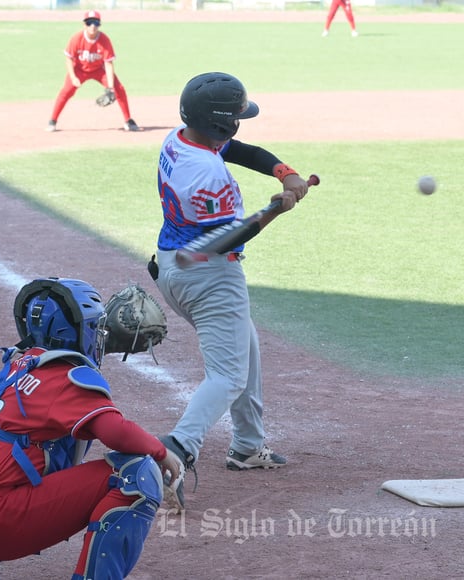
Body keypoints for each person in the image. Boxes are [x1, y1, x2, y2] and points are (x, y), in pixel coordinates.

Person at [0, 277, 182, 580]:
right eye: (95, 328)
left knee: (46, 453)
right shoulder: (66, 378)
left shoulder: (20, 365)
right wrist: (160, 451)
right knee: (137, 473)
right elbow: (115, 432)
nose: (100, 335)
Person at [152, 72, 310, 510]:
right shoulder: (208, 177)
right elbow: (230, 237)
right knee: (227, 376)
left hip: (175, 263)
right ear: (222, 121)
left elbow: (240, 150)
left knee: (246, 349)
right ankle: (178, 450)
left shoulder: (182, 139)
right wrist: (280, 207)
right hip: (209, 276)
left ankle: (247, 446)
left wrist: (285, 172)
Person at [47, 10, 141, 133]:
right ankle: (52, 120)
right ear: (84, 24)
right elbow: (69, 59)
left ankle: (128, 120)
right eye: (89, 22)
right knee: (66, 91)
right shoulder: (77, 38)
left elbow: (108, 63)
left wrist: (111, 87)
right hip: (79, 69)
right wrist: (73, 77)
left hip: (99, 70)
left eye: (96, 23)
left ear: (99, 25)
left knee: (119, 89)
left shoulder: (104, 40)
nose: (92, 26)